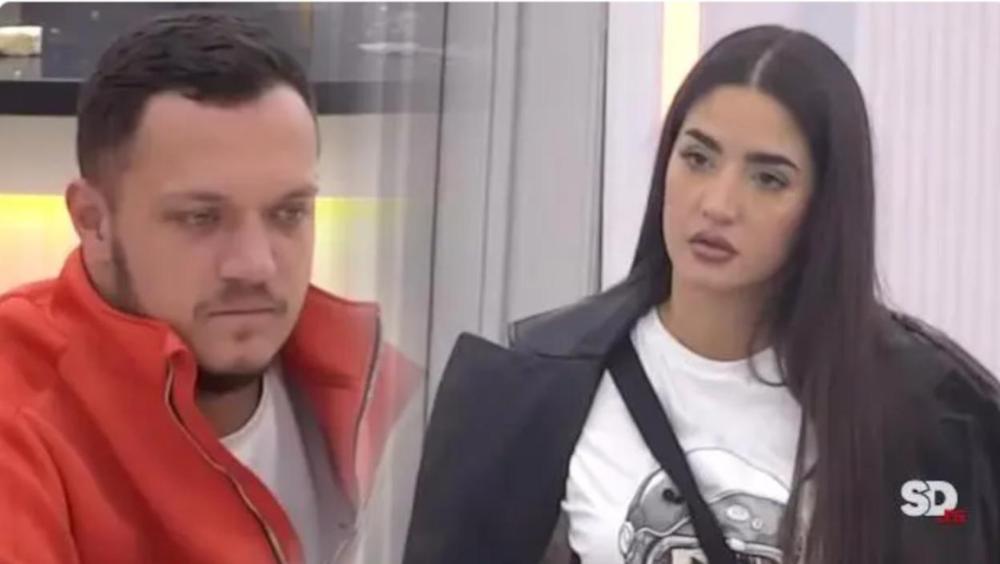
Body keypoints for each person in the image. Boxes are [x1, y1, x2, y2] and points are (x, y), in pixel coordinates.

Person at [403, 25, 1000, 564]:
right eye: (697, 157)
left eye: (768, 179)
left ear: (825, 208)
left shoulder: (927, 420)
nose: (717, 204)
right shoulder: (531, 389)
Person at [0, 12, 418, 564]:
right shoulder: (18, 416)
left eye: (289, 212)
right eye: (201, 218)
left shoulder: (379, 388)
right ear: (94, 222)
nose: (254, 265)